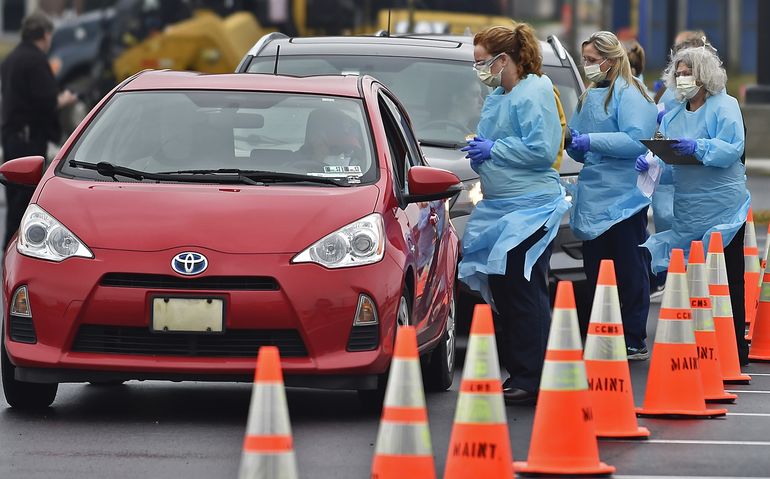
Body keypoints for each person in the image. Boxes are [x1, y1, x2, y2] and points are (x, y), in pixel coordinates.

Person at [458, 24, 570, 405]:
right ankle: (520, 370)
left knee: (524, 289)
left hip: (531, 207)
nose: (478, 70)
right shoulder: (500, 96)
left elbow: (541, 149)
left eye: (481, 62)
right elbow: (503, 140)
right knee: (506, 287)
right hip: (503, 206)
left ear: (503, 59)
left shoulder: (534, 91)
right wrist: (481, 151)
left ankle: (531, 375)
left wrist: (494, 151)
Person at [637, 45, 750, 365]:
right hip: (688, 210)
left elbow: (731, 148)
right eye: (679, 73)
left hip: (724, 208)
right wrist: (654, 169)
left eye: (688, 73)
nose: (682, 79)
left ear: (704, 75)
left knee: (728, 278)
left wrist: (698, 147)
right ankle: (695, 345)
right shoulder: (673, 114)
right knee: (692, 280)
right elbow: (676, 168)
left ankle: (733, 349)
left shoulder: (725, 106)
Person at [566, 31, 657, 359]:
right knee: (598, 272)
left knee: (630, 270)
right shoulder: (590, 95)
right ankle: (604, 331)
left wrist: (591, 141)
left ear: (610, 58)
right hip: (594, 197)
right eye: (585, 60)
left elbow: (636, 140)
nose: (587, 66)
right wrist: (574, 142)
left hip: (623, 199)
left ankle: (634, 336)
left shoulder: (631, 93)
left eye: (592, 60)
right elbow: (582, 149)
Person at [1, 12, 76, 248]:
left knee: (14, 193)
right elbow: (45, 101)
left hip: (12, 135)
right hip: (29, 139)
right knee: (24, 200)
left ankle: (8, 247)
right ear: (44, 35)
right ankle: (14, 250)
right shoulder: (35, 60)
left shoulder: (11, 58)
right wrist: (64, 100)